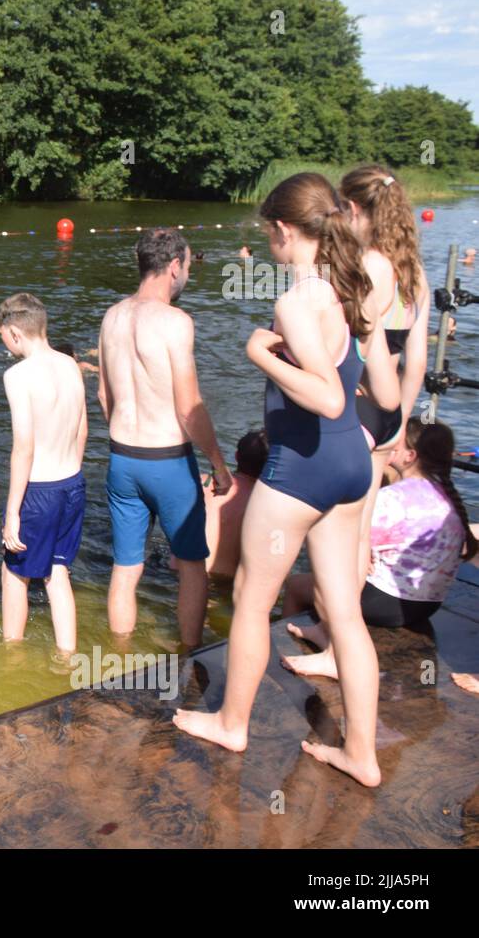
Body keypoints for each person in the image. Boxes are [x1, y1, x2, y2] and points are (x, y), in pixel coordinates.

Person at [174, 172, 390, 787]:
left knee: (250, 598)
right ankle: (362, 757)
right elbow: (352, 381)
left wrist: (261, 354)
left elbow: (324, 396)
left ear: (283, 230)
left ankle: (231, 723)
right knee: (344, 613)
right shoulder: (347, 286)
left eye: (267, 229)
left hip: (303, 468)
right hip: (351, 463)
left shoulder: (298, 301)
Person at [97, 228, 231, 647]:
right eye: (188, 266)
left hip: (122, 459)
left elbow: (104, 394)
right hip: (168, 462)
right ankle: (191, 656)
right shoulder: (176, 322)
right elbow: (189, 406)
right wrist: (218, 463)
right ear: (174, 267)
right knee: (192, 566)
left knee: (125, 567)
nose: (187, 273)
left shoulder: (111, 316)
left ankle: (118, 659)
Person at [281, 418, 477, 676]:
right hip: (426, 606)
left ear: (410, 455)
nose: (390, 446)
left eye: (397, 443)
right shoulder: (448, 499)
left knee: (298, 583)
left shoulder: (392, 499)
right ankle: (322, 631)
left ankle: (302, 651)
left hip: (384, 605)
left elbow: (338, 543)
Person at [341, 166, 429, 581]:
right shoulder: (414, 273)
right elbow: (418, 363)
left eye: (343, 209)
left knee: (339, 531)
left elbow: (351, 343)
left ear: (356, 209)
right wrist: (400, 424)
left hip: (358, 408)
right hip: (389, 416)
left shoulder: (369, 265)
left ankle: (335, 632)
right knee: (361, 530)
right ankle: (343, 629)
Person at [0, 294, 87, 649]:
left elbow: (24, 447)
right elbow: (81, 430)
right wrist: (72, 474)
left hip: (39, 492)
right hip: (72, 484)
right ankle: (67, 658)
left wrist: (13, 513)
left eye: (2, 334)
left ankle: (11, 658)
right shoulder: (69, 365)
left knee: (15, 574)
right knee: (57, 572)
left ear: (15, 332)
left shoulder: (18, 375)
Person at [202, 430, 268, 579]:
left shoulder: (201, 482)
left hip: (175, 570)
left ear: (237, 456)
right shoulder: (264, 503)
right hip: (221, 581)